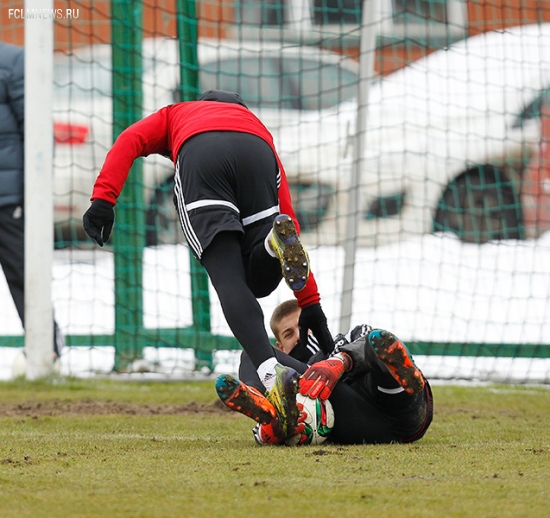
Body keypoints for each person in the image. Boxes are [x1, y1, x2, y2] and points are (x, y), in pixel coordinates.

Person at [82, 90, 334, 437]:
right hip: (257, 153)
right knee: (260, 278)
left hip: (202, 154)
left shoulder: (176, 114)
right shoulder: (255, 124)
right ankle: (270, 246)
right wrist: (310, 304)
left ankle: (267, 372)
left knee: (228, 275)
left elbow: (130, 138)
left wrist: (103, 199)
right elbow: (289, 216)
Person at [216, 299, 433, 446]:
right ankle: (263, 404)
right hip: (352, 422)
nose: (300, 336)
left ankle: (403, 380)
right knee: (253, 353)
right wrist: (268, 431)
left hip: (400, 409)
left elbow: (370, 338)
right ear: (281, 347)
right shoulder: (289, 378)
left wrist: (340, 360)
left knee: (375, 344)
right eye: (289, 334)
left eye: (303, 327)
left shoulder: (343, 340)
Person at [0, 42, 63, 360]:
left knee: (23, 275)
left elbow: (37, 128)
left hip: (7, 198)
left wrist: (35, 191)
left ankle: (46, 352)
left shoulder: (12, 61)